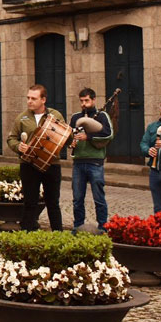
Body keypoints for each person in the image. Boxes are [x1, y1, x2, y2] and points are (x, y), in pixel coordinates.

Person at [6, 84, 67, 232]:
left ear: (43, 100)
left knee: (53, 202)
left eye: (33, 98)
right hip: (29, 164)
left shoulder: (55, 115)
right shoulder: (22, 118)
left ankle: (58, 236)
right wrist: (18, 147)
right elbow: (11, 138)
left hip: (51, 164)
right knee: (29, 202)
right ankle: (27, 235)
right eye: (28, 98)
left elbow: (65, 136)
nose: (29, 101)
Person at [69, 88, 114, 233]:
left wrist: (88, 137)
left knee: (99, 197)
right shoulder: (75, 117)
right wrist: (71, 142)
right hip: (78, 162)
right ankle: (78, 226)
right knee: (77, 198)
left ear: (93, 100)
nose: (84, 104)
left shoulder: (102, 116)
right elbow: (69, 135)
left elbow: (108, 134)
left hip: (95, 162)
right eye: (82, 101)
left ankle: (103, 227)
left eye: (87, 100)